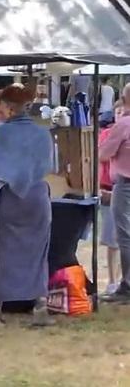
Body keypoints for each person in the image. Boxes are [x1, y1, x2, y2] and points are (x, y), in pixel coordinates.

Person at [0, 84, 53, 327]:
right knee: (38, 251)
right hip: (37, 196)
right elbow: (47, 165)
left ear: (9, 108)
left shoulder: (3, 134)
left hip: (8, 198)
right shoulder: (42, 133)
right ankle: (41, 307)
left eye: (0, 108)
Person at [100, 90, 130, 302]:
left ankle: (127, 285)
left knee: (124, 235)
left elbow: (103, 153)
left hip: (126, 184)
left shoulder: (124, 124)